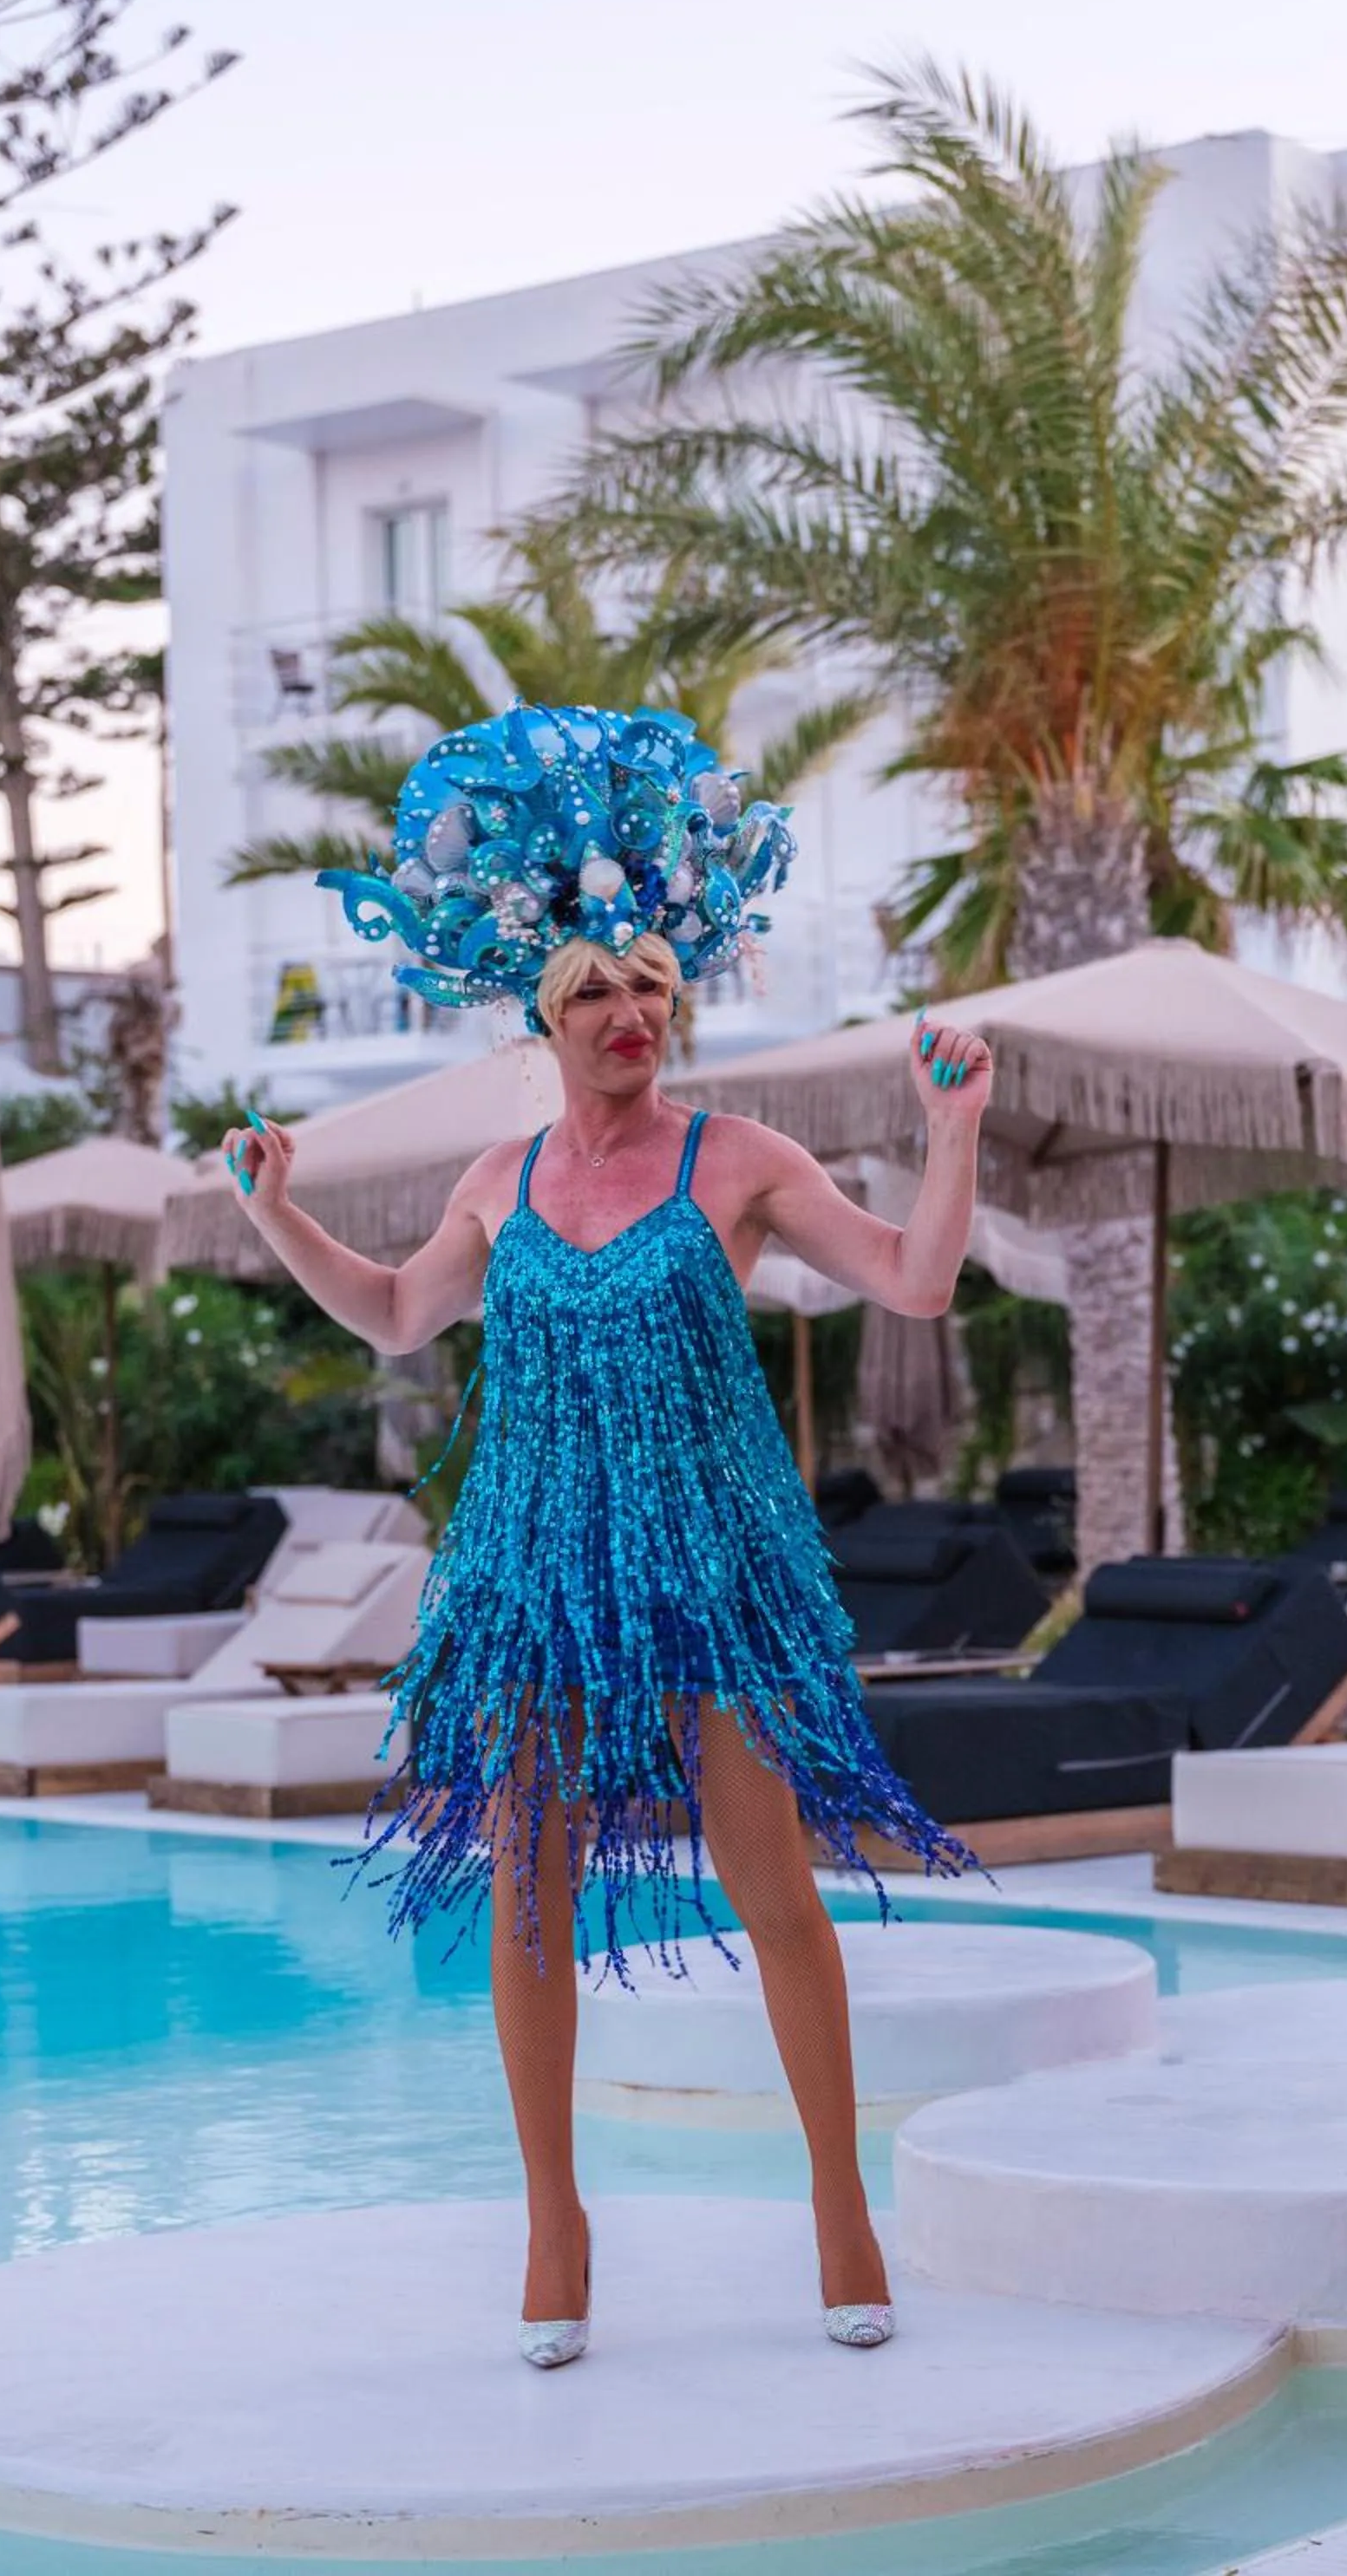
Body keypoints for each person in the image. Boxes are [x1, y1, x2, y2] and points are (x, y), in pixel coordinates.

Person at [222, 703, 991, 2369]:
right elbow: (392, 1319)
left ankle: (837, 2209)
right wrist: (275, 1207)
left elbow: (916, 1283)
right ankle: (555, 2227)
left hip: (711, 1561)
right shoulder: (497, 1177)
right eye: (594, 992)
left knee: (769, 1884)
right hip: (533, 1569)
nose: (628, 1011)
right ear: (543, 1017)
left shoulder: (740, 1157)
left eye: (648, 985)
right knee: (527, 1894)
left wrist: (949, 1136)